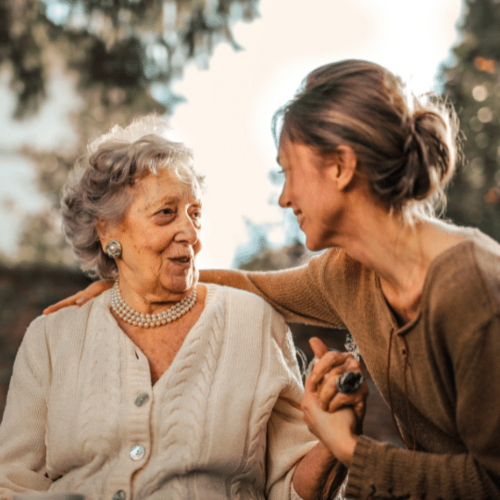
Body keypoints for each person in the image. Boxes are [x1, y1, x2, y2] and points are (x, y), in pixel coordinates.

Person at [50, 59, 500, 499]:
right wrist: (131, 281)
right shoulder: (349, 274)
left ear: (340, 167)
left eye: (288, 171)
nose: (284, 198)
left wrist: (349, 449)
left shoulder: (473, 289)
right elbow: (253, 286)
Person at [0, 116, 356, 500]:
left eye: (195, 213)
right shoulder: (51, 338)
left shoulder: (254, 324)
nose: (190, 233)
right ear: (108, 232)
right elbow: (13, 484)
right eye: (166, 213)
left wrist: (332, 443)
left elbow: (292, 490)